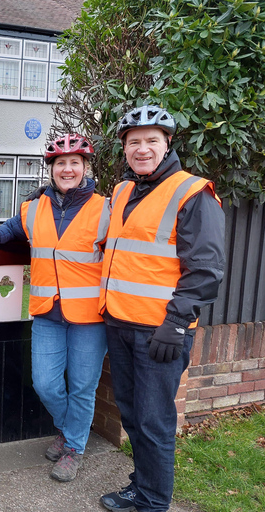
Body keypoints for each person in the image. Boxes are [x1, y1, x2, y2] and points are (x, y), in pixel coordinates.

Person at [99, 105, 225, 512]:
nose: (142, 148)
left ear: (167, 143)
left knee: (154, 423)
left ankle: (154, 503)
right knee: (134, 417)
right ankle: (143, 485)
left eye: (152, 140)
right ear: (124, 148)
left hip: (160, 332)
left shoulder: (192, 193)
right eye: (133, 141)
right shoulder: (122, 191)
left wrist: (176, 322)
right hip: (119, 322)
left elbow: (205, 269)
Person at [0, 134, 110, 482]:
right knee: (46, 384)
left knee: (82, 386)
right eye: (60, 163)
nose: (67, 169)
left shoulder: (105, 209)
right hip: (47, 313)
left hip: (89, 317)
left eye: (74, 163)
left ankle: (74, 447)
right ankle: (69, 430)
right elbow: (13, 228)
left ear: (85, 168)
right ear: (52, 169)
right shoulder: (34, 207)